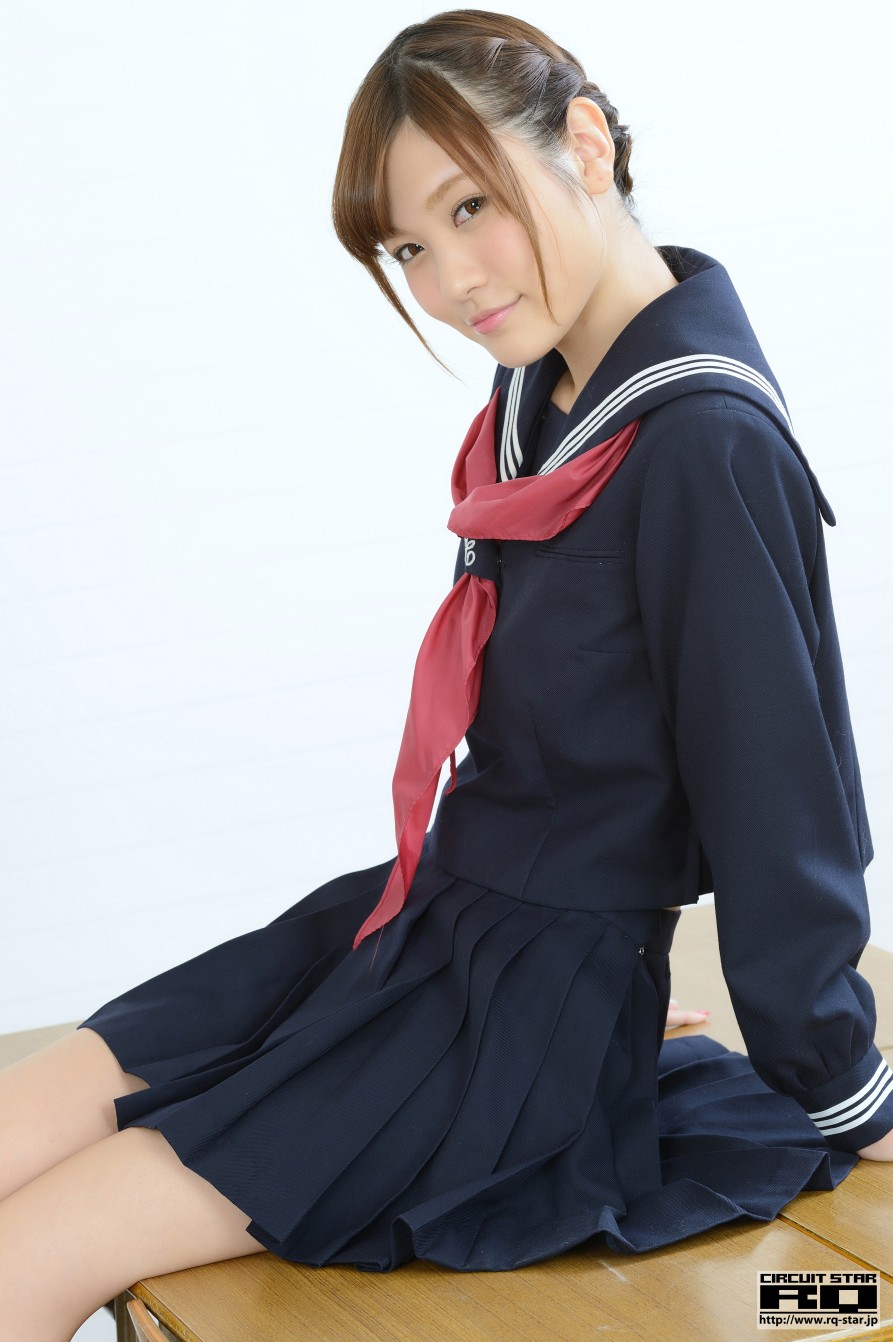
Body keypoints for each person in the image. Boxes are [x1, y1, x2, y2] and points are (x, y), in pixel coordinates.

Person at [1, 9, 891, 1338]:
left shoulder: (702, 439)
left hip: (510, 1007)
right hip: (429, 920)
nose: (450, 278)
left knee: (31, 1253)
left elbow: (780, 802)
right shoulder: (552, 388)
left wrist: (835, 1081)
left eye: (472, 206)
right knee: (22, 1122)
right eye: (410, 245)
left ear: (585, 143)